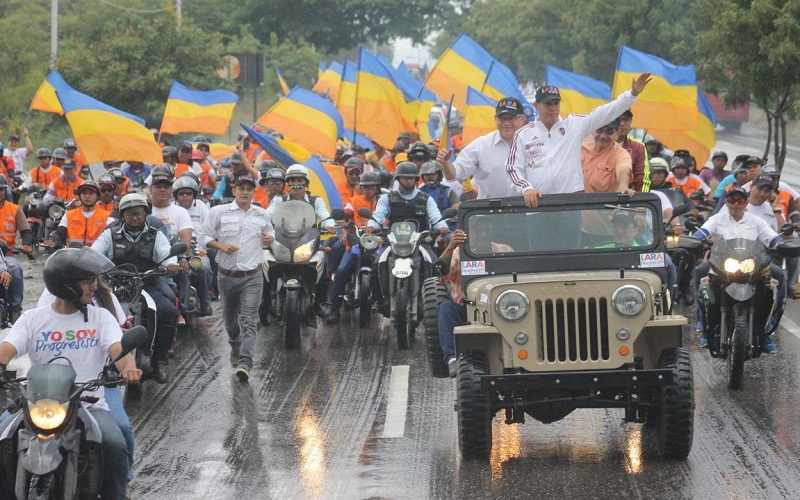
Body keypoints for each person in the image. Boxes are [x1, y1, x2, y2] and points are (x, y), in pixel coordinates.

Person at [0, 248, 141, 500]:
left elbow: (117, 348)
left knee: (115, 443)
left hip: (90, 404)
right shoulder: (33, 319)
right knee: (2, 439)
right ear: (66, 285)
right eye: (88, 281)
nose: (94, 287)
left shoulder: (100, 317)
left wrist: (127, 366)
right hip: (38, 404)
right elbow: (8, 348)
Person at [506, 73, 652, 208]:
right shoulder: (523, 134)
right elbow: (513, 167)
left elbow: (606, 113)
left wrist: (631, 94)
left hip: (571, 204)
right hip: (537, 204)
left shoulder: (573, 125)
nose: (552, 108)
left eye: (555, 103)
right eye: (547, 104)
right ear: (536, 105)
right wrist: (527, 188)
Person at [91, 193, 180, 383]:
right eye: (130, 214)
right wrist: (91, 264)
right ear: (122, 216)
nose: (135, 218)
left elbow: (166, 252)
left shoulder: (155, 235)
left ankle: (160, 360)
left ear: (146, 214)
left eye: (139, 214)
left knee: (168, 311)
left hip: (148, 282)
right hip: (116, 284)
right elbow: (95, 252)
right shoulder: (110, 234)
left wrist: (171, 263)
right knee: (91, 311)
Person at [199, 175, 274, 382]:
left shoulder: (261, 214)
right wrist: (220, 246)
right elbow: (203, 236)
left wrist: (269, 238)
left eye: (249, 189)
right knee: (231, 323)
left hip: (253, 276)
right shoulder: (218, 212)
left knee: (249, 320)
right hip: (226, 276)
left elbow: (270, 234)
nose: (245, 192)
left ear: (254, 192)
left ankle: (245, 362)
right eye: (241, 188)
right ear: (234, 191)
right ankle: (235, 345)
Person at [693, 186, 784, 353]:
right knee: (701, 277)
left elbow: (772, 238)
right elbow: (702, 232)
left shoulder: (756, 221)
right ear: (726, 202)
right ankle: (705, 327)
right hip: (722, 266)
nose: (736, 204)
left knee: (772, 286)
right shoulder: (717, 219)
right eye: (731, 200)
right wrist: (694, 240)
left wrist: (782, 244)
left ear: (746, 202)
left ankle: (765, 332)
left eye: (740, 200)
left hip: (751, 267)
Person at [437, 219, 513, 377]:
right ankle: (452, 358)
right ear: (469, 234)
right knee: (445, 308)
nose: (484, 235)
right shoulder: (459, 253)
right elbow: (442, 275)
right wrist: (451, 246)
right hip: (466, 308)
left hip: (503, 308)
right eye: (479, 232)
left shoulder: (504, 250)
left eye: (487, 230)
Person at [267, 164, 336, 318]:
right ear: (287, 183)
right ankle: (265, 303)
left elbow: (325, 216)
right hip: (284, 241)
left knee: (322, 262)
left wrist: (329, 225)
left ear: (306, 182)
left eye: (299, 180)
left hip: (307, 242)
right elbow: (268, 215)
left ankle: (319, 303)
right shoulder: (279, 200)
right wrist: (260, 224)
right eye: (292, 180)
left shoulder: (315, 201)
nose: (296, 184)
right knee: (266, 261)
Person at [437, 96, 527, 199]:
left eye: (511, 118)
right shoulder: (480, 146)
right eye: (502, 118)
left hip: (527, 211)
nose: (506, 123)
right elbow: (455, 174)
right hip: (492, 211)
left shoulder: (533, 143)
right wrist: (446, 164)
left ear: (521, 119)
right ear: (495, 119)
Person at [327, 171, 382, 324]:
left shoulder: (383, 202)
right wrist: (345, 227)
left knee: (386, 267)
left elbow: (387, 219)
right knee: (342, 270)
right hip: (356, 241)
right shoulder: (354, 200)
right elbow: (345, 215)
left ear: (377, 188)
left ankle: (382, 300)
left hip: (377, 242)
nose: (368, 190)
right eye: (365, 187)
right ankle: (333, 308)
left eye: (371, 188)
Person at [148, 166, 193, 324]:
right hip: (145, 257)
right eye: (158, 186)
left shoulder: (180, 212)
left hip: (172, 257)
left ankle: (178, 309)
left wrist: (182, 257)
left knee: (182, 271)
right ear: (150, 189)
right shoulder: (142, 209)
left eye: (166, 187)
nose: (162, 190)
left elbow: (185, 240)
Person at [172, 175, 213, 317]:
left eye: (188, 193)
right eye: (181, 193)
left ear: (194, 195)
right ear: (176, 196)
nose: (185, 197)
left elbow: (209, 229)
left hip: (197, 251)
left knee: (204, 268)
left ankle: (205, 302)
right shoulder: (172, 209)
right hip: (175, 253)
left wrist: (201, 244)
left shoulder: (202, 208)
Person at [0, 175, 31, 323]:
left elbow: (25, 231)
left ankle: (15, 309)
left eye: (1, 189)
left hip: (8, 254)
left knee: (15, 270)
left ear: (5, 191)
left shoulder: (14, 209)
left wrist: (26, 245)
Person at [44, 181, 111, 248]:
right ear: (79, 196)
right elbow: (60, 233)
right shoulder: (69, 215)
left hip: (95, 256)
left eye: (91, 193)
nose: (87, 196)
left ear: (98, 196)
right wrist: (53, 240)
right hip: (71, 255)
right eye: (84, 193)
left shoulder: (107, 217)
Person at [581, 119, 634, 194]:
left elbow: (623, 169)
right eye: (599, 130)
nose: (603, 136)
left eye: (609, 132)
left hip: (602, 204)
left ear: (617, 133)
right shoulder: (579, 148)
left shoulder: (620, 154)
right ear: (593, 131)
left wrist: (623, 186)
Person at [615, 110, 650, 192]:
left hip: (628, 199)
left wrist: (641, 202)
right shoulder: (600, 143)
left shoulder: (638, 147)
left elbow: (642, 180)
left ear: (631, 122)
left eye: (626, 120)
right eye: (618, 120)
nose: (622, 124)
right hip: (600, 198)